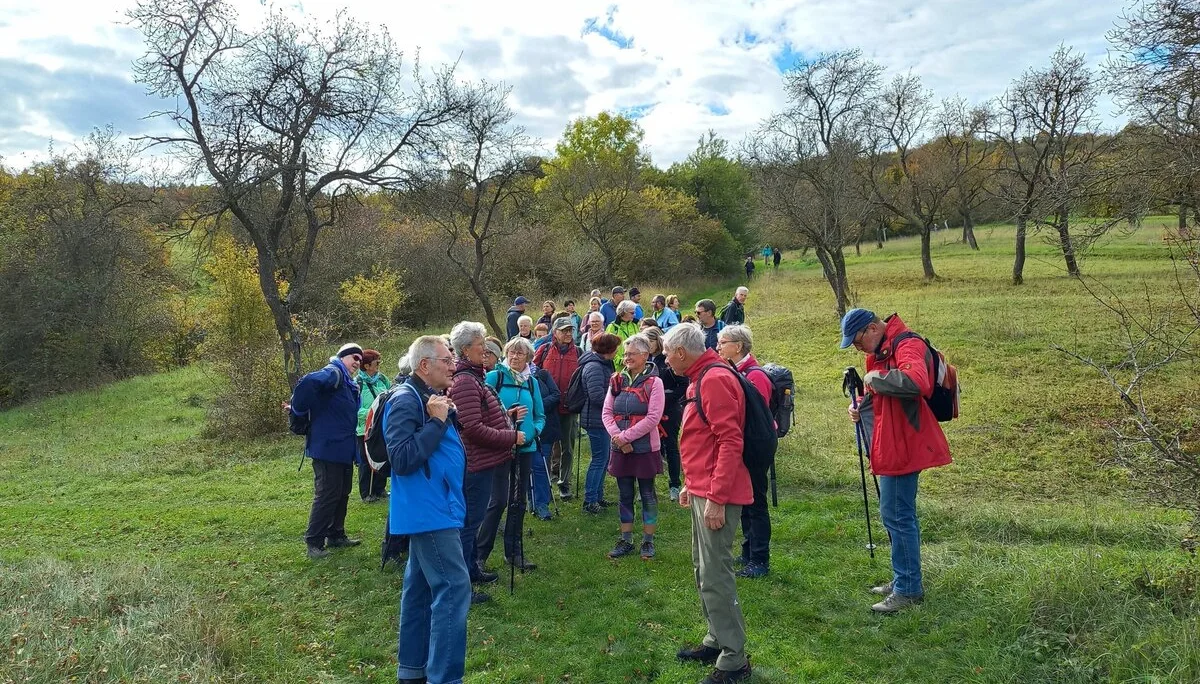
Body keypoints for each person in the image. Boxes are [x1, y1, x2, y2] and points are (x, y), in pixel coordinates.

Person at [841, 308, 952, 613]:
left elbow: (918, 382)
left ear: (872, 329)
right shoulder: (882, 349)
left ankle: (908, 589)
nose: (857, 348)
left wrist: (875, 378)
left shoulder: (907, 344)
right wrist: (862, 405)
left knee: (898, 514)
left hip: (906, 442)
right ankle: (903, 577)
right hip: (891, 439)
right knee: (894, 513)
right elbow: (882, 394)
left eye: (857, 341)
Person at [664, 323, 753, 683]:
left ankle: (735, 659)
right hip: (705, 488)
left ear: (682, 353)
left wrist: (715, 496)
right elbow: (704, 440)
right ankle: (717, 639)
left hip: (721, 494)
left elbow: (730, 441)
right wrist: (691, 482)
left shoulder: (713, 379)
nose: (666, 359)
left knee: (716, 574)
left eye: (668, 353)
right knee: (704, 569)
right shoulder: (703, 376)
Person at [383, 335, 471, 684]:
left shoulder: (428, 398)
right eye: (447, 360)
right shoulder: (407, 399)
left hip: (435, 505)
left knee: (419, 591)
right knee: (454, 587)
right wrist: (436, 422)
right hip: (429, 511)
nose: (454, 365)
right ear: (425, 366)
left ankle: (413, 672)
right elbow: (401, 459)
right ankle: (445, 678)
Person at [449, 322, 524, 604]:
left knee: (473, 520)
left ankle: (471, 570)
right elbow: (471, 427)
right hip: (475, 464)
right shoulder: (466, 380)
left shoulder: (473, 376)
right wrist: (510, 436)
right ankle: (462, 585)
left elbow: (480, 415)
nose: (487, 350)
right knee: (468, 524)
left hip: (483, 463)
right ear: (466, 349)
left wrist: (506, 414)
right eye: (481, 345)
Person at [288, 343, 364, 559]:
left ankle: (336, 534)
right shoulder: (333, 373)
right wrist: (299, 409)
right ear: (342, 357)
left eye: (360, 359)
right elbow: (307, 383)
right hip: (328, 447)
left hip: (343, 448)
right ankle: (314, 542)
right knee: (327, 494)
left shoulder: (347, 382)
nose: (357, 362)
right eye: (354, 358)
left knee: (342, 493)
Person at [479, 337, 545, 572]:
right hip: (500, 448)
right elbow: (483, 415)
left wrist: (533, 431)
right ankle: (479, 555)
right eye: (511, 353)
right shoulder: (493, 378)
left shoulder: (532, 383)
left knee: (519, 501)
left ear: (528, 357)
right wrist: (507, 418)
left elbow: (540, 415)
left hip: (525, 448)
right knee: (497, 500)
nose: (515, 357)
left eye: (520, 353)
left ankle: (514, 552)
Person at [601, 334, 665, 560]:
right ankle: (626, 539)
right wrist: (619, 438)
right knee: (625, 493)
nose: (626, 357)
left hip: (645, 448)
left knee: (648, 494)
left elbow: (653, 417)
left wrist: (626, 437)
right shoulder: (616, 380)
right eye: (625, 354)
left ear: (645, 355)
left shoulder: (654, 382)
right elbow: (607, 413)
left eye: (631, 354)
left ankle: (648, 541)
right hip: (620, 447)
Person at [717, 325, 772, 579]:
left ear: (738, 346)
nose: (718, 347)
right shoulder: (735, 371)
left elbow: (754, 417)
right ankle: (748, 551)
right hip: (743, 445)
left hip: (755, 447)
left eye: (723, 342)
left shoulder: (755, 375)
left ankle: (760, 559)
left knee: (757, 503)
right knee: (745, 502)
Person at [533, 318, 582, 500]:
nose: (568, 334)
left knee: (567, 447)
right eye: (564, 330)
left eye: (570, 330)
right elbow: (533, 371)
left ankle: (564, 483)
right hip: (548, 407)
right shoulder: (544, 350)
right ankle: (544, 482)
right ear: (555, 333)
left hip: (569, 407)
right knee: (546, 445)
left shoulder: (578, 352)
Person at [644, 327, 687, 503]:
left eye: (650, 342)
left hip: (669, 410)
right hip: (649, 411)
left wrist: (664, 397)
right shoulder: (644, 361)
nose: (647, 346)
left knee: (670, 446)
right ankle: (647, 486)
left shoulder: (667, 361)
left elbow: (683, 384)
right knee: (649, 447)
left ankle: (674, 485)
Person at [579, 333, 620, 513]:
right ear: (608, 349)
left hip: (601, 418)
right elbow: (596, 395)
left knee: (603, 459)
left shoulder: (602, 363)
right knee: (599, 459)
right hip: (595, 419)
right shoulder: (595, 366)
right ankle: (590, 501)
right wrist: (617, 403)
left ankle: (598, 496)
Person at [356, 348, 391, 502]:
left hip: (381, 426)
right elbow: (354, 409)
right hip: (364, 429)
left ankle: (380, 488)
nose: (379, 365)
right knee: (366, 460)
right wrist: (373, 413)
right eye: (376, 362)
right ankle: (367, 493)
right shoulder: (357, 383)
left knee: (381, 455)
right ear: (367, 366)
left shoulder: (382, 379)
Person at [530, 361, 561, 520]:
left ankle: (541, 503)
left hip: (545, 427)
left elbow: (556, 394)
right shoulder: (509, 378)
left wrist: (537, 405)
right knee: (527, 467)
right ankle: (530, 500)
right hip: (522, 428)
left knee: (541, 465)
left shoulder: (542, 374)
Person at [605, 300, 640, 372]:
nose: (634, 315)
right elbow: (607, 348)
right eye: (632, 313)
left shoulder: (635, 324)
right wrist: (620, 361)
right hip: (618, 368)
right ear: (623, 312)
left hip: (634, 365)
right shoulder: (613, 327)